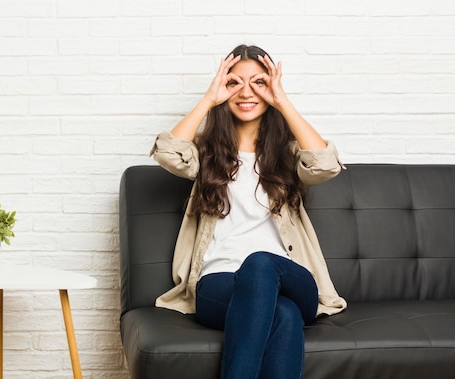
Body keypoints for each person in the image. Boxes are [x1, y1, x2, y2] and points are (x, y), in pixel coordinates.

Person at [149, 44, 348, 378]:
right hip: (218, 282)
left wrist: (282, 101)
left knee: (260, 262)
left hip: (289, 278)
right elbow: (168, 153)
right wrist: (209, 98)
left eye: (258, 82)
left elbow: (326, 165)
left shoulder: (288, 154)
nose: (246, 92)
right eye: (234, 83)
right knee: (283, 315)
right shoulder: (206, 153)